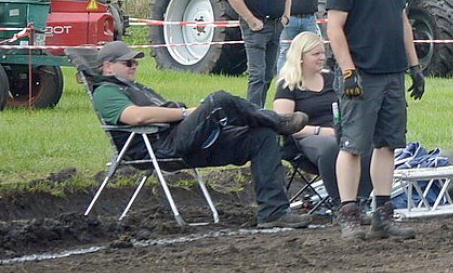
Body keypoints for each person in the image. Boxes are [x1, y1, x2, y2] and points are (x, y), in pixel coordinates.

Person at [87, 40, 312, 229]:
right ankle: (276, 120)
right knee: (219, 100)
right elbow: (135, 117)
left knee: (262, 136)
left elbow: (167, 113)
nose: (134, 66)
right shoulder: (106, 91)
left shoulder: (134, 87)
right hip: (160, 147)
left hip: (179, 139)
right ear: (108, 67)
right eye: (128, 62)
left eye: (135, 61)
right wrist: (186, 112)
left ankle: (273, 213)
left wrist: (192, 113)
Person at [325, 0, 428, 242]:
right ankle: (349, 215)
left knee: (388, 145)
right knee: (353, 145)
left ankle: (383, 216)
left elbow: (403, 22)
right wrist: (348, 71)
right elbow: (334, 28)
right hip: (362, 74)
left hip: (393, 73)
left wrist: (415, 66)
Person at [273, 30, 370, 211]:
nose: (321, 58)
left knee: (363, 144)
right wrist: (319, 131)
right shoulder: (288, 85)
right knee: (331, 147)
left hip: (339, 133)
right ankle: (340, 205)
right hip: (304, 139)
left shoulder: (332, 79)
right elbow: (282, 124)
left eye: (323, 53)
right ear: (300, 57)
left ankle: (361, 201)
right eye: (315, 54)